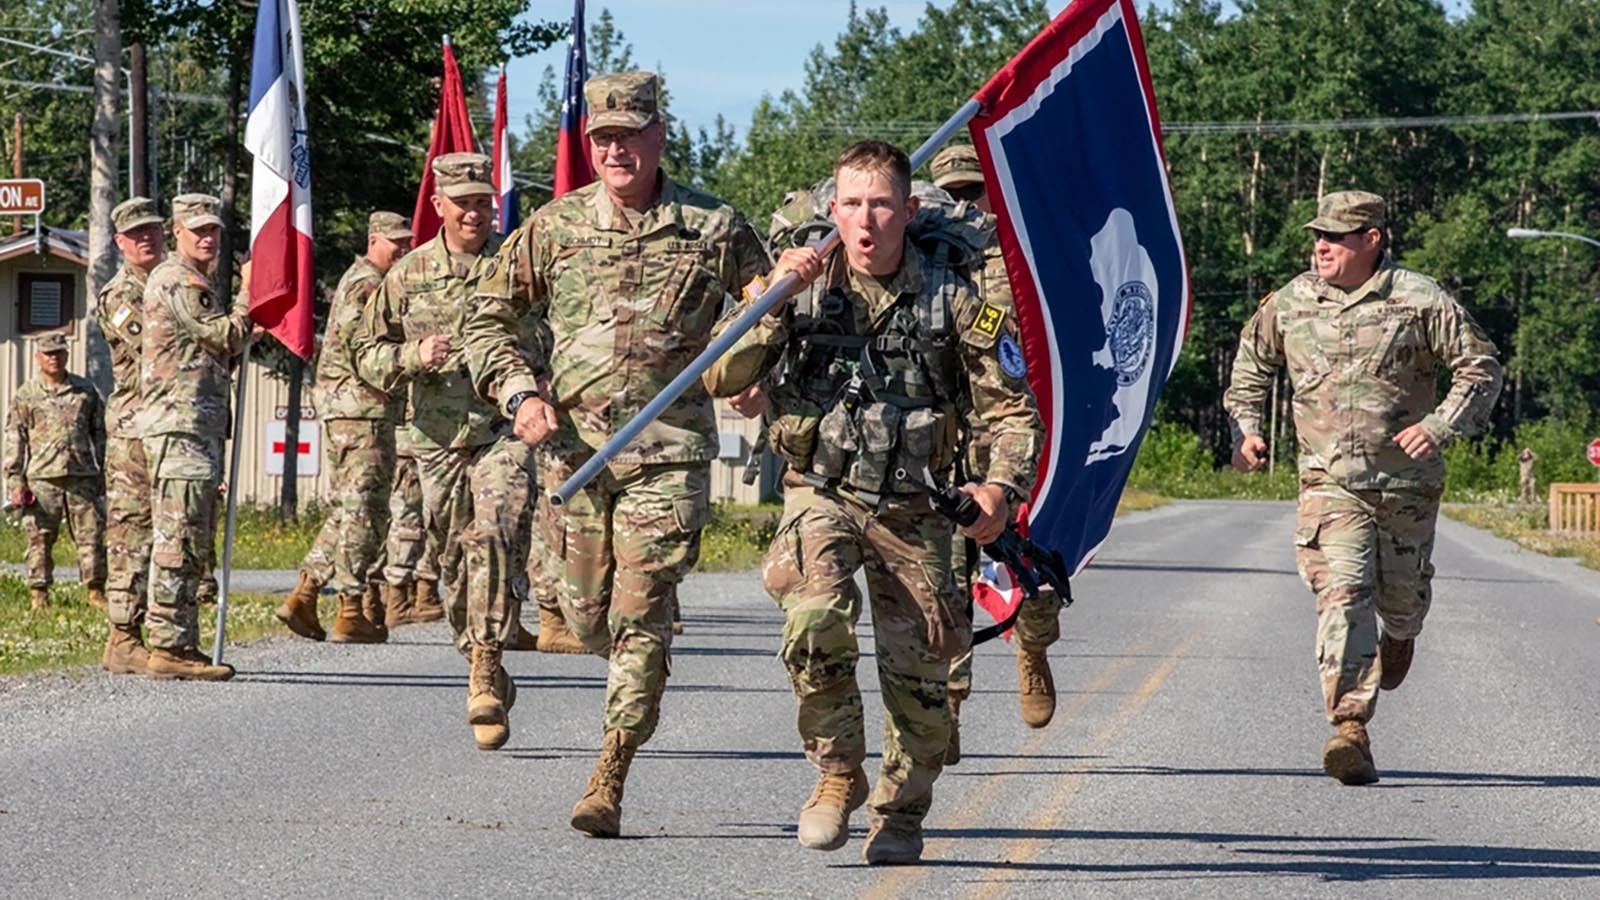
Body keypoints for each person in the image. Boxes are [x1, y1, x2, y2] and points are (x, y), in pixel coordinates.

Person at [702, 140, 1044, 864]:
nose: (866, 221)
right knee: (812, 618)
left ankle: (902, 809)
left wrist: (997, 488)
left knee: (923, 688)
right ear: (833, 210)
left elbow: (1011, 411)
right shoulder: (803, 282)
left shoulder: (958, 296)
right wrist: (773, 302)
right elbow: (719, 374)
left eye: (882, 204)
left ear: (909, 210)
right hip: (821, 491)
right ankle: (836, 774)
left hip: (918, 503)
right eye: (852, 205)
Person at [463, 70, 772, 838]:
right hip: (572, 458)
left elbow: (770, 307)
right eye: (602, 138)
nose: (615, 150)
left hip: (667, 458)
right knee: (585, 615)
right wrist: (517, 393)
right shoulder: (556, 227)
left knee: (640, 617)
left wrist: (756, 365)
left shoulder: (714, 226)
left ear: (659, 136)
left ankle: (610, 772)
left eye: (630, 134)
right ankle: (610, 636)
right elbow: (486, 315)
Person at [1224, 190, 1502, 785]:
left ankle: (1402, 632)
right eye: (1316, 236)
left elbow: (1480, 367)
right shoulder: (1292, 302)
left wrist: (1439, 425)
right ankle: (1350, 727)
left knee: (1398, 601)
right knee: (1344, 592)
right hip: (1330, 482)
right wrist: (1246, 429)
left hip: (1406, 486)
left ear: (1371, 240)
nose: (1321, 245)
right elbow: (1251, 366)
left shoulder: (1419, 299)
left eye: (1336, 236)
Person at [353, 152, 530, 750]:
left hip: (504, 433)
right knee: (453, 563)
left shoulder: (517, 263)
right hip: (434, 440)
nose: (476, 212)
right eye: (464, 203)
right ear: (439, 207)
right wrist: (410, 357)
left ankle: (485, 661)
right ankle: (480, 655)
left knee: (495, 536)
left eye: (484, 201)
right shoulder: (407, 275)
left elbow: (560, 328)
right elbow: (363, 354)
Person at [926, 143, 1063, 765]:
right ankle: (947, 706)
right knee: (944, 579)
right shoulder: (923, 255)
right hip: (938, 443)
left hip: (1010, 440)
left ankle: (1031, 648)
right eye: (949, 192)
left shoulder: (1022, 262)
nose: (961, 203)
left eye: (972, 192)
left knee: (1026, 571)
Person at [278, 211, 413, 643]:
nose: (404, 249)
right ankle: (350, 607)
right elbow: (364, 347)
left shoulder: (368, 279)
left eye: (407, 241)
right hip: (361, 407)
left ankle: (306, 591)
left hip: (359, 406)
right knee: (365, 509)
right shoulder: (368, 283)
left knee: (350, 508)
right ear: (374, 239)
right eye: (396, 242)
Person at [139, 193, 251, 681]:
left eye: (214, 230)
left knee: (191, 536)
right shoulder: (181, 280)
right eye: (198, 229)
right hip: (179, 425)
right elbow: (224, 336)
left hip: (193, 426)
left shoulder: (194, 280)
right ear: (177, 232)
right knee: (178, 537)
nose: (208, 238)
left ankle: (180, 641)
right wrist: (250, 295)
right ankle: (168, 645)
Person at [97, 197, 167, 672]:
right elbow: (155, 345)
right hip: (133, 427)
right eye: (136, 234)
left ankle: (161, 629)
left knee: (167, 531)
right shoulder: (120, 295)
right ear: (120, 243)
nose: (147, 239)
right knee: (130, 533)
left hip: (167, 420)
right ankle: (122, 635)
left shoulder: (171, 285)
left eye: (153, 231)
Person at [4, 332, 106, 612]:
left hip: (81, 476)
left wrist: (104, 471)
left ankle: (95, 591)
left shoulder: (85, 391)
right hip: (42, 478)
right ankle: (39, 594)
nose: (54, 358)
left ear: (67, 355)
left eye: (59, 352)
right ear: (38, 357)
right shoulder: (27, 395)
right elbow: (15, 437)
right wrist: (14, 479)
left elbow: (100, 432)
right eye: (48, 353)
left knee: (91, 537)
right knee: (39, 538)